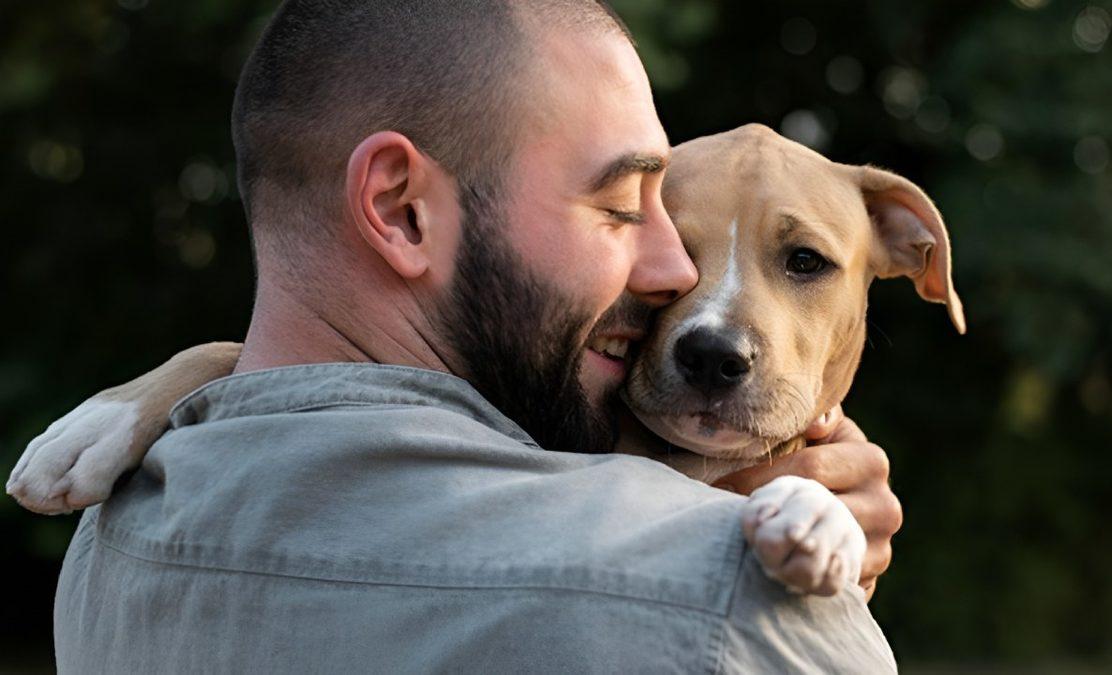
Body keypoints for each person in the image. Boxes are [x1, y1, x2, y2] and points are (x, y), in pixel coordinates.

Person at [51, 1, 900, 671]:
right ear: (399, 209)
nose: (674, 272)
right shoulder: (723, 608)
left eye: (800, 261)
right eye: (617, 209)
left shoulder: (109, 537)